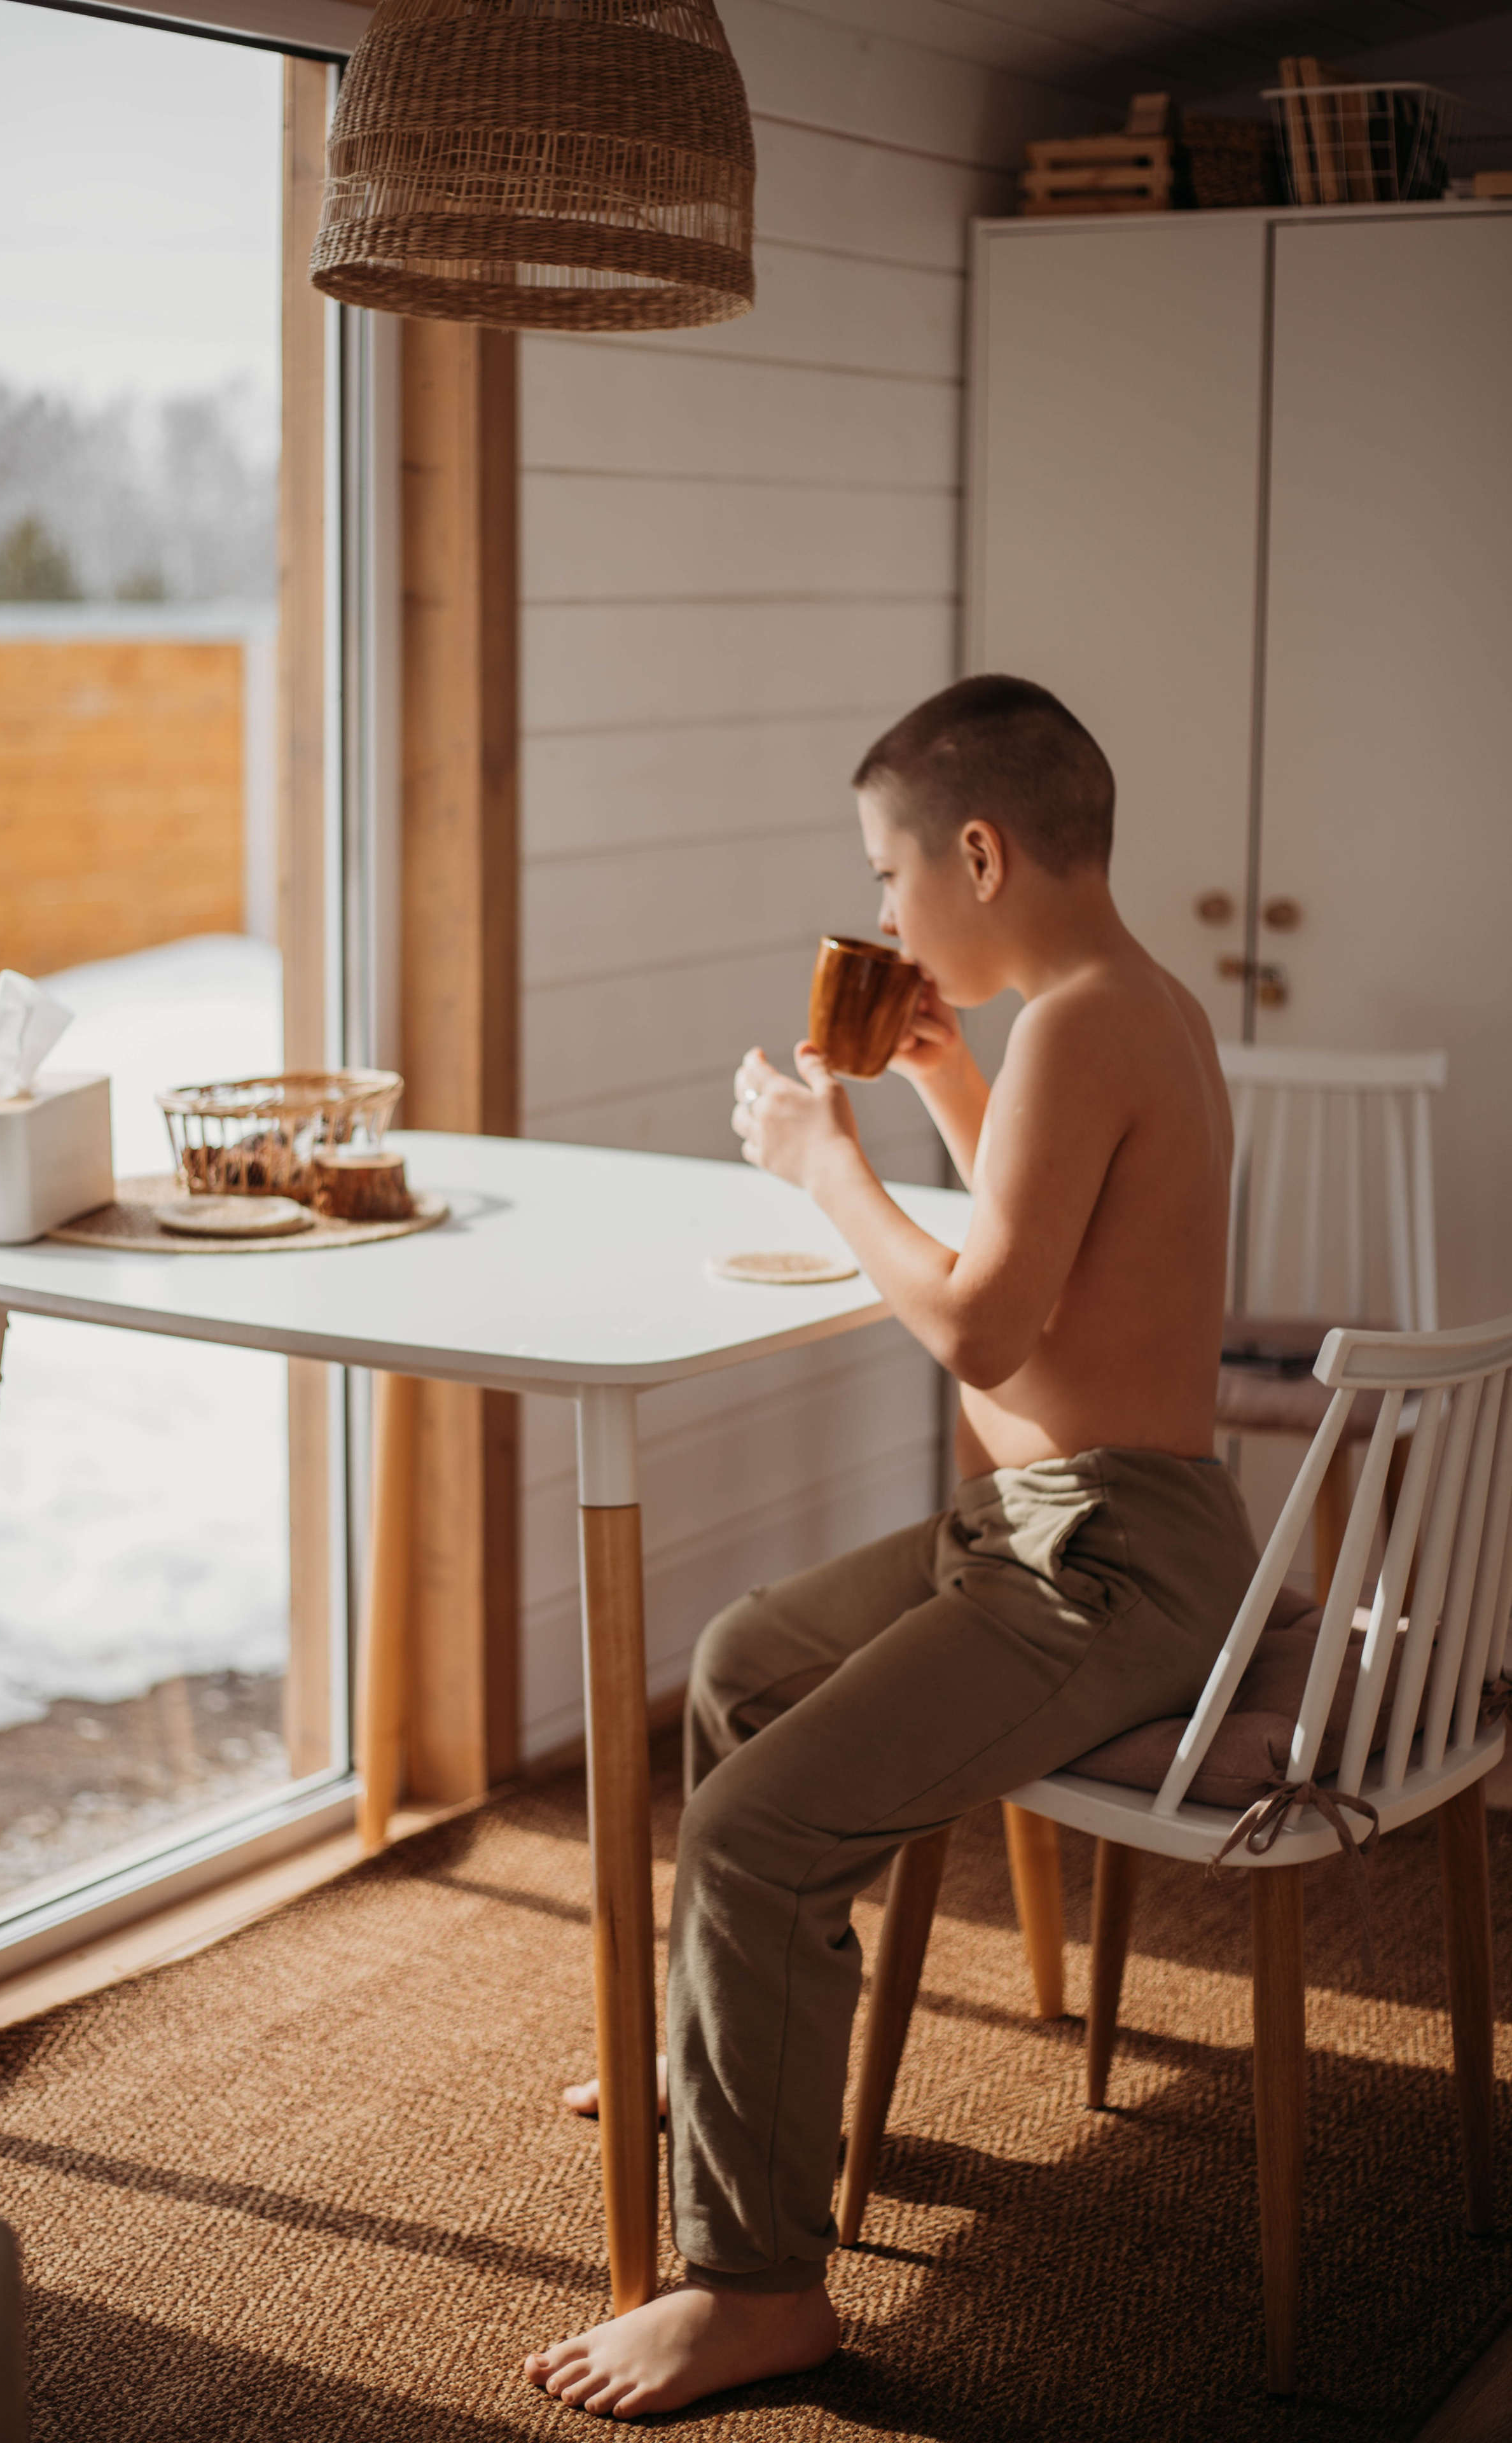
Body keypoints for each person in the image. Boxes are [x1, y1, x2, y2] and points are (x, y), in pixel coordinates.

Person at [523, 674, 1256, 2419]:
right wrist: (938, 1069)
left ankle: (757, 2290)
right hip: (1038, 1535)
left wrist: (821, 1163)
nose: (882, 915)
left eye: (888, 873)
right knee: (746, 1665)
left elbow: (992, 1332)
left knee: (759, 1827)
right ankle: (726, 2056)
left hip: (1111, 1565)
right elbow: (1044, 1241)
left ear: (980, 853)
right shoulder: (1119, 1004)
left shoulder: (1091, 1021)